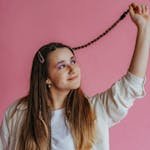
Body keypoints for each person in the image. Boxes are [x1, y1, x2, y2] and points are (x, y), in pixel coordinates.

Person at [0, 2, 149, 150]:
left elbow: (131, 85)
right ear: (46, 77)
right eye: (62, 66)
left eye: (73, 61)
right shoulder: (16, 113)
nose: (73, 69)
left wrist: (144, 28)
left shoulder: (94, 111)